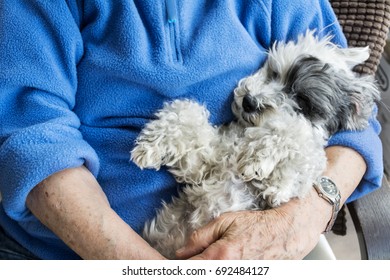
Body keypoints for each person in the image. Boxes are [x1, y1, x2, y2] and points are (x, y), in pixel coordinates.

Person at [0, 0, 383, 260]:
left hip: (256, 240)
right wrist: (143, 268)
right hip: (71, 252)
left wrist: (297, 220)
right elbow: (31, 136)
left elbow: (354, 129)